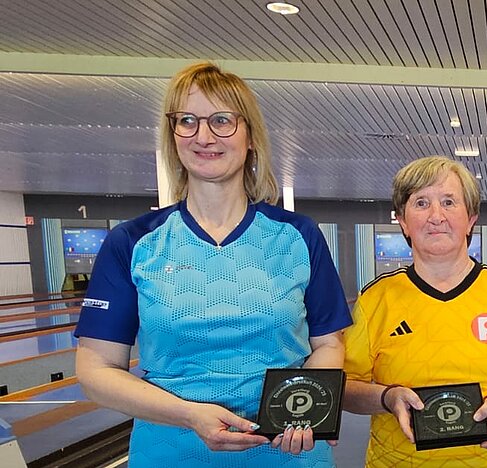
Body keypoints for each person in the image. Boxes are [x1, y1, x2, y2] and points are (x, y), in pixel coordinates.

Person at [74, 62, 351, 466]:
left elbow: (329, 344)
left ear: (250, 136)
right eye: (187, 121)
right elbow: (95, 369)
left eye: (222, 120)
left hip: (286, 453)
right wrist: (188, 414)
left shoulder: (298, 236)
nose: (204, 136)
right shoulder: (133, 242)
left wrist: (307, 408)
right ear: (173, 135)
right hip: (171, 452)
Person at [342, 156, 487, 466]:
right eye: (421, 203)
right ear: (403, 221)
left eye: (449, 202)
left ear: (471, 218)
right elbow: (346, 387)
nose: (436, 216)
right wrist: (387, 397)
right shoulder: (375, 299)